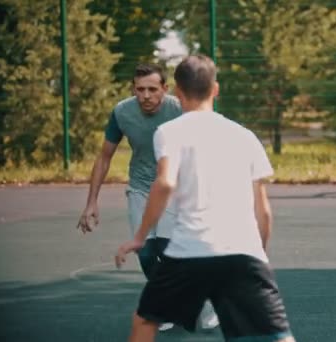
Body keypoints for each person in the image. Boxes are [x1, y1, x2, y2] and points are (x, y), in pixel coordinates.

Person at [115, 54, 295, 342]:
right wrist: (259, 255)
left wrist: (139, 236)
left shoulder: (169, 132)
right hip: (242, 252)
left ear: (177, 92)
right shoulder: (245, 136)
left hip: (190, 252)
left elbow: (164, 184)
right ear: (216, 89)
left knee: (144, 322)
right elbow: (263, 211)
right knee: (278, 336)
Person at [77, 63, 218, 332]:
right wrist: (91, 202)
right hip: (141, 187)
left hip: (177, 187)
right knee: (145, 253)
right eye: (140, 89)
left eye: (153, 89)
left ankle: (206, 299)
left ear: (165, 89)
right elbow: (105, 156)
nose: (146, 95)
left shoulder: (181, 108)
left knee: (172, 249)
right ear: (133, 89)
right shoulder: (122, 112)